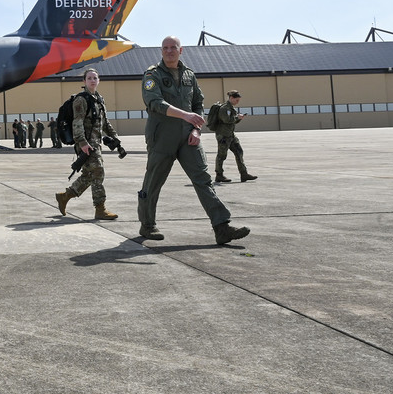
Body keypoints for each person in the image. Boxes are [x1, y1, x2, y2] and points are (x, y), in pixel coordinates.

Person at [136, 36, 250, 245]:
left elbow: (198, 103)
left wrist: (196, 129)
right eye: (165, 48)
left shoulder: (189, 75)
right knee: (154, 181)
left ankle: (221, 226)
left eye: (173, 48)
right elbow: (154, 102)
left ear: (181, 51)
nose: (169, 51)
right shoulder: (152, 75)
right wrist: (185, 116)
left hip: (188, 136)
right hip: (162, 136)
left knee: (203, 179)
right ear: (161, 51)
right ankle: (147, 224)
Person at [55, 68, 120, 220]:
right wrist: (82, 143)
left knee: (89, 175)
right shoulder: (81, 100)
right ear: (84, 81)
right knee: (98, 171)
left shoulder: (99, 99)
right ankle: (100, 209)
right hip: (85, 143)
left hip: (96, 143)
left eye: (95, 78)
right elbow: (77, 123)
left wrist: (115, 137)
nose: (92, 80)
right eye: (89, 78)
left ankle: (65, 196)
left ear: (98, 81)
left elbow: (105, 123)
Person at [213, 90, 258, 183]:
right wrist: (237, 117)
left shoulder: (231, 108)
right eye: (236, 100)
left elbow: (232, 121)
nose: (238, 102)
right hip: (223, 135)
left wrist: (239, 118)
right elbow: (226, 120)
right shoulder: (225, 108)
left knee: (239, 152)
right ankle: (219, 175)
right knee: (222, 155)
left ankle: (244, 174)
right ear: (231, 98)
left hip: (230, 135)